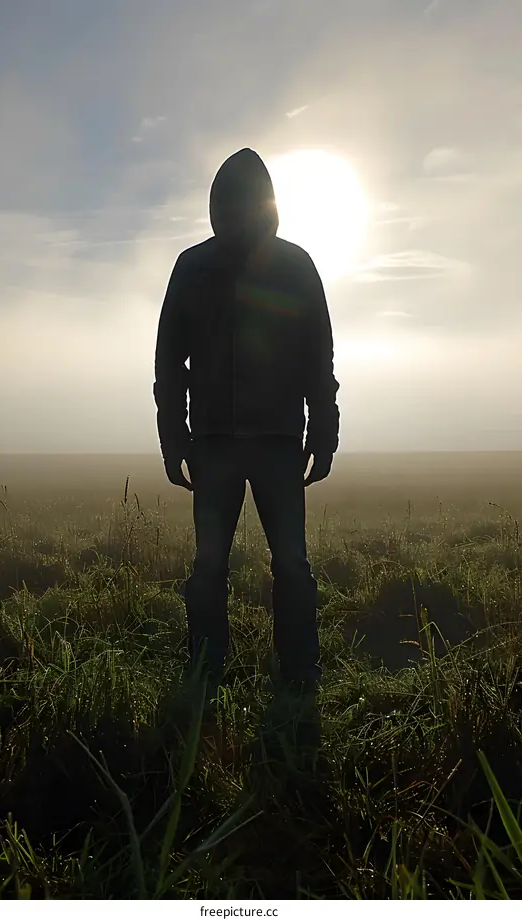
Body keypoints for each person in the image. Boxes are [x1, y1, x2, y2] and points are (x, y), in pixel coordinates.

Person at [153, 147, 339, 692]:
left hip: (260, 440)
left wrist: (323, 430)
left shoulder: (287, 266)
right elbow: (170, 362)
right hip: (231, 441)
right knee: (236, 565)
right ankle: (226, 672)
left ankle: (282, 673)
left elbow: (317, 357)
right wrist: (174, 436)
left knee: (274, 564)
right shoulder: (202, 267)